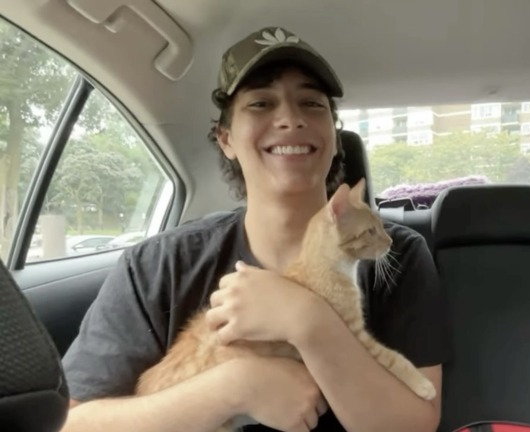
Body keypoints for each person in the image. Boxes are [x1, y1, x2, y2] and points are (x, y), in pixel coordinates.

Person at [61, 26, 451, 432]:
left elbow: (417, 422)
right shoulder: (158, 264)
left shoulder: (397, 254)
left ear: (335, 139)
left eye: (311, 103)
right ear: (226, 139)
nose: (291, 119)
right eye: (261, 103)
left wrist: (309, 321)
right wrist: (235, 386)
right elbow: (71, 424)